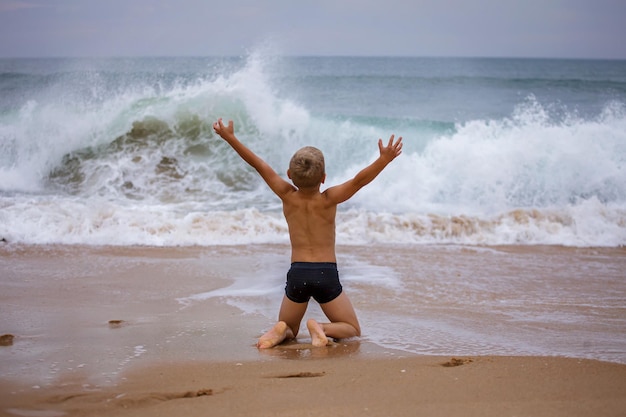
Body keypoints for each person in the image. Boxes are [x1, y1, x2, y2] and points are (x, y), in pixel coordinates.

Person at [212, 118, 403, 348]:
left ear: (289, 174)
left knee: (290, 328)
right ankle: (321, 328)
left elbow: (259, 165)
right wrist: (384, 159)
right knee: (351, 329)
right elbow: (359, 181)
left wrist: (230, 138)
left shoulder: (286, 194)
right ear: (323, 178)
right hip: (325, 273)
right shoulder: (329, 198)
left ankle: (281, 329)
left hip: (298, 274)